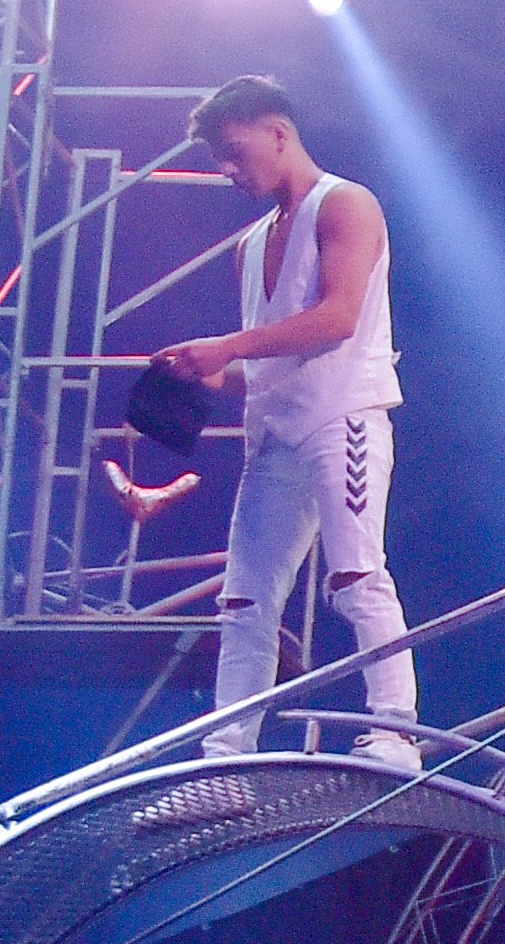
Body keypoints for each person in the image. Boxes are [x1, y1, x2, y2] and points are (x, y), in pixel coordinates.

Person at [151, 78, 417, 766]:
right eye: (220, 159)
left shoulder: (346, 204)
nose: (229, 171)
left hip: (344, 415)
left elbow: (337, 317)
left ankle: (396, 733)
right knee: (243, 602)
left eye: (235, 152)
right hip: (274, 434)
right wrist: (212, 368)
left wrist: (230, 347)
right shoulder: (251, 245)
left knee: (357, 575)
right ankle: (227, 755)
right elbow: (270, 353)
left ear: (279, 133)